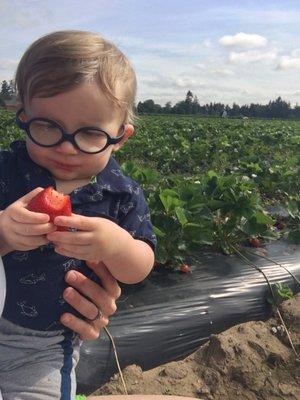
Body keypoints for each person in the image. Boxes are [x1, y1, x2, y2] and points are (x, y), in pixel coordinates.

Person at [0, 30, 156, 400]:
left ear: (120, 136)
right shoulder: (6, 170)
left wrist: (116, 246)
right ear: (23, 116)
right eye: (47, 127)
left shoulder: (121, 194)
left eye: (89, 134)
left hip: (42, 346)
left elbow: (141, 265)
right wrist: (4, 233)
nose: (67, 147)